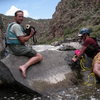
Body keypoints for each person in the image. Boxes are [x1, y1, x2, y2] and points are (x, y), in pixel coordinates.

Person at [6, 10, 43, 78]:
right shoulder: (16, 26)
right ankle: (24, 67)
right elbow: (22, 40)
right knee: (39, 56)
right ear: (15, 17)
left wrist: (27, 33)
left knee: (30, 50)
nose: (21, 18)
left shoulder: (11, 25)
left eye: (22, 17)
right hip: (16, 48)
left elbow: (19, 37)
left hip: (11, 48)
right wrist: (31, 35)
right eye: (19, 16)